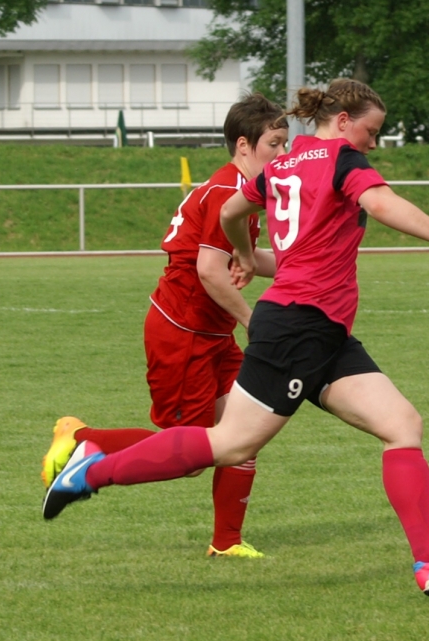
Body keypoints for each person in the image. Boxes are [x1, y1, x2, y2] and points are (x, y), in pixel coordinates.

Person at [42, 78, 429, 597]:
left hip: (324, 329)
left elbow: (235, 213)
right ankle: (90, 475)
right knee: (232, 443)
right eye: (372, 131)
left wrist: (242, 253)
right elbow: (382, 205)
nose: (375, 143)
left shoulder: (282, 166)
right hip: (298, 325)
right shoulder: (343, 161)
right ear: (344, 122)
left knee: (402, 423)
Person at [40, 92, 288, 559]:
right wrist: (253, 321)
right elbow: (210, 270)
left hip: (212, 336)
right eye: (274, 143)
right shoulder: (224, 193)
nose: (283, 154)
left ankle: (227, 542)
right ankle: (77, 440)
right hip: (184, 334)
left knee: (245, 432)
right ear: (243, 145)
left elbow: (244, 258)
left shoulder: (241, 193)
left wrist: (306, 264)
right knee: (190, 455)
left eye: (285, 143)